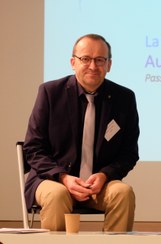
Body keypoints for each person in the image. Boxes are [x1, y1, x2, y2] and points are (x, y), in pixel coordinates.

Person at [23, 34, 140, 232]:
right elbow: (33, 148)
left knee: (123, 192)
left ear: (109, 65)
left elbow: (129, 153)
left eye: (100, 60)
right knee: (57, 195)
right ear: (73, 62)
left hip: (99, 185)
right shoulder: (50, 93)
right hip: (51, 180)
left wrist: (105, 175)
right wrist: (63, 177)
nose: (93, 66)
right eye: (85, 59)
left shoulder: (124, 98)